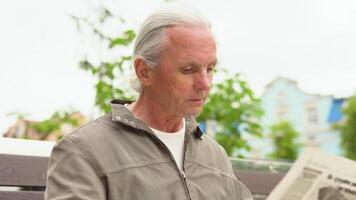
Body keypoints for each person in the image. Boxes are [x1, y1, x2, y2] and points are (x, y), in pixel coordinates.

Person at [45, 5, 253, 200]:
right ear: (144, 71)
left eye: (210, 69)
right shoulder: (83, 152)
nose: (205, 84)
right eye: (188, 70)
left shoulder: (215, 155)